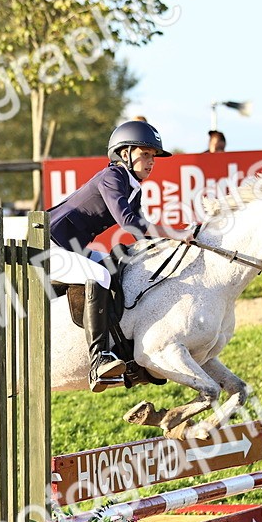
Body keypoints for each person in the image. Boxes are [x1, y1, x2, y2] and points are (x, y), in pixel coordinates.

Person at [47, 120, 191, 392]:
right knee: (100, 275)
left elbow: (142, 235)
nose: (151, 161)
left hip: (73, 248)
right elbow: (129, 223)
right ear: (125, 153)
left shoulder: (133, 186)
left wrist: (172, 248)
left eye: (153, 156)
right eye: (145, 154)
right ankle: (98, 359)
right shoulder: (112, 177)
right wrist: (175, 233)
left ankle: (122, 350)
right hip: (48, 245)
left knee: (118, 267)